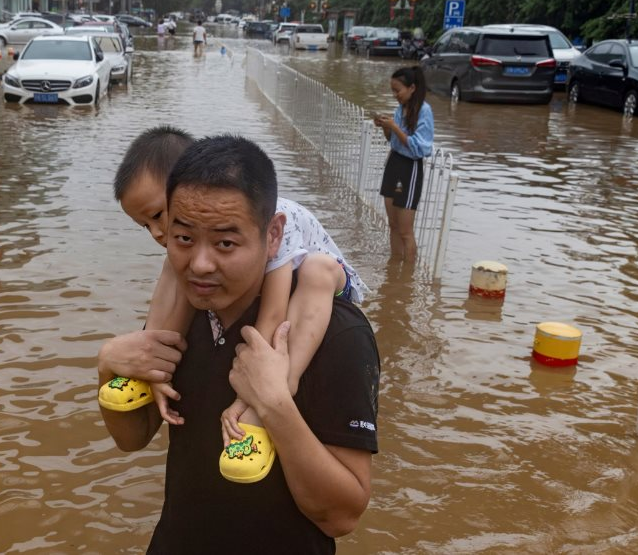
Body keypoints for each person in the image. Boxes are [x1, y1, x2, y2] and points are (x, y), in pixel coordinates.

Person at [98, 135, 379, 552]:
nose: (201, 264)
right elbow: (133, 437)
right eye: (182, 238)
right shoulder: (188, 307)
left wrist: (274, 404)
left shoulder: (335, 334)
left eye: (225, 242)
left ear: (273, 235)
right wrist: (108, 366)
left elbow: (342, 515)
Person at [373, 65, 434, 261]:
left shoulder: (424, 111)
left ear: (412, 88)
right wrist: (385, 126)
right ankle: (394, 270)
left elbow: (420, 149)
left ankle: (406, 279)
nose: (395, 95)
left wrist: (395, 127)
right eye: (392, 90)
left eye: (397, 90)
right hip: (394, 163)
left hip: (409, 168)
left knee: (405, 230)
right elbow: (393, 141)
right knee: (393, 224)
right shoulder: (400, 109)